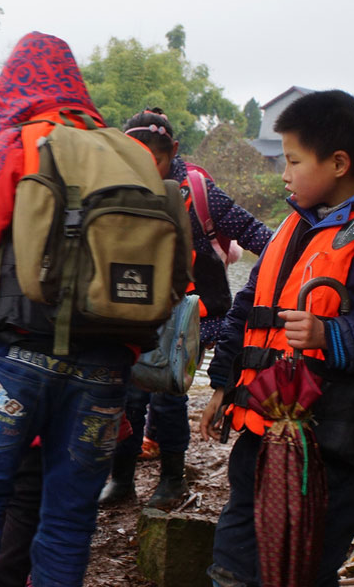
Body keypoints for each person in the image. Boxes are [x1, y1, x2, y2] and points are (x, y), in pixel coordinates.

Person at [0, 31, 138, 587]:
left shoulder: (19, 142)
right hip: (106, 369)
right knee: (70, 520)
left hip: (19, 358)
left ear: (16, 81)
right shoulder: (127, 151)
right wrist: (126, 355)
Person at [199, 89, 354, 586]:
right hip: (262, 436)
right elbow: (246, 309)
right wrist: (222, 384)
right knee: (232, 562)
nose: (284, 173)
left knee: (305, 569)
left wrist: (330, 334)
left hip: (334, 450)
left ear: (338, 162)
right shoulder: (290, 228)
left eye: (293, 160)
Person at [98, 108, 273, 509]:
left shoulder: (197, 191)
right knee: (128, 397)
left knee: (169, 395)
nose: (143, 168)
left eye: (154, 160)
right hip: (134, 309)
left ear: (172, 151)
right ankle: (121, 479)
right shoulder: (115, 189)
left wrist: (270, 280)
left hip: (189, 314)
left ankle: (172, 480)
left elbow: (257, 236)